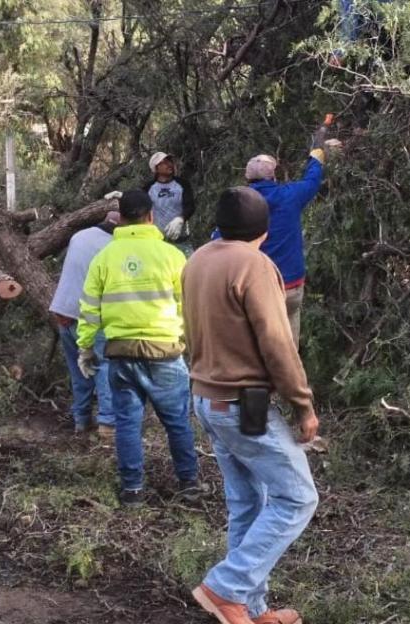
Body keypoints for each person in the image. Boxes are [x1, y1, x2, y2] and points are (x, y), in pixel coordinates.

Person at [183, 187, 320, 624]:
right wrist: (303, 405)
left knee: (248, 503)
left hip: (207, 399)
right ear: (264, 229)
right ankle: (226, 587)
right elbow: (278, 344)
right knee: (298, 497)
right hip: (244, 404)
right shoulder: (255, 265)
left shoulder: (199, 259)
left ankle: (250, 609)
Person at [77, 189, 199, 507]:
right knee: (177, 422)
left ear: (119, 217)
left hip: (122, 352)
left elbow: (89, 309)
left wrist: (86, 348)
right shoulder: (172, 256)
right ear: (150, 216)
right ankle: (189, 484)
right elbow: (187, 305)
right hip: (166, 352)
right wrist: (190, 344)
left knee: (128, 423)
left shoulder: (104, 258)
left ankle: (133, 490)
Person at [240, 138, 338, 343]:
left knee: (260, 343)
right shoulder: (289, 196)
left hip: (260, 289)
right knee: (288, 346)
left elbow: (220, 240)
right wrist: (316, 159)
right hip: (291, 287)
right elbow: (311, 181)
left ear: (248, 178)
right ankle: (289, 370)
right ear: (273, 175)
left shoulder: (241, 205)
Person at [49, 211, 121, 436]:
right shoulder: (114, 247)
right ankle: (107, 425)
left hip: (63, 311)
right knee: (103, 366)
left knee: (78, 369)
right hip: (88, 316)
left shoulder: (79, 236)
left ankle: (81, 420)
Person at [144, 152, 196, 243]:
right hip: (157, 239)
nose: (169, 164)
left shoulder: (183, 184)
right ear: (156, 168)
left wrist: (181, 218)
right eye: (163, 162)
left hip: (181, 238)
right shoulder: (149, 188)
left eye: (169, 161)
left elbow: (190, 206)